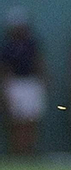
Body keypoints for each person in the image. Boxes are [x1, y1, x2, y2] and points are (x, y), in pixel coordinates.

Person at [1, 8, 46, 157]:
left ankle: (29, 153)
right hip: (15, 83)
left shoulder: (32, 44)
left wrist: (44, 80)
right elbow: (5, 69)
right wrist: (5, 88)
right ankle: (17, 154)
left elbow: (39, 63)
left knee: (31, 120)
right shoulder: (8, 47)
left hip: (31, 83)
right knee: (16, 121)